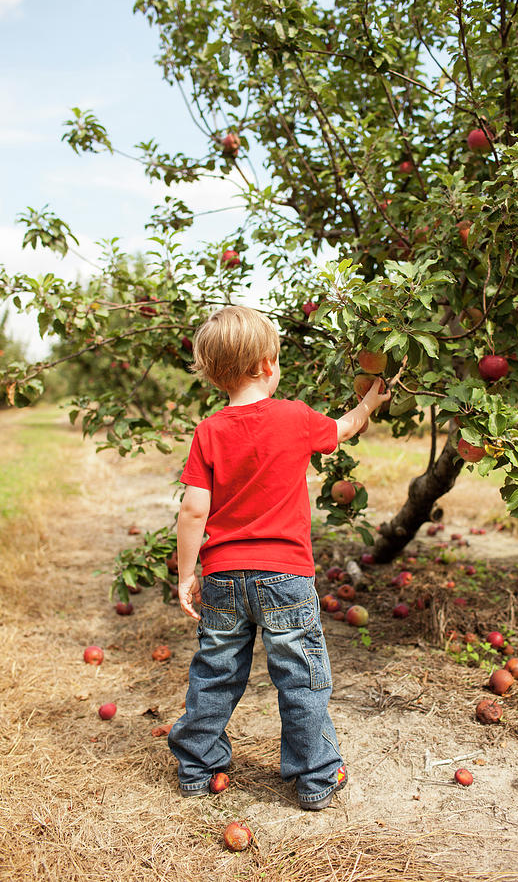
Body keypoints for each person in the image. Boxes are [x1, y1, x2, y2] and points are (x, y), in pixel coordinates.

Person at [167, 305, 390, 810]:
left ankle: (197, 768)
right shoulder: (293, 416)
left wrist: (187, 575)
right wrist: (370, 402)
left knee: (216, 671)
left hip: (223, 577)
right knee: (299, 674)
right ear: (268, 365)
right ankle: (315, 776)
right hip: (285, 575)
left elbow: (192, 510)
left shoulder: (208, 431)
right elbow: (345, 429)